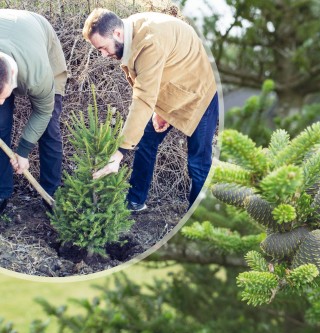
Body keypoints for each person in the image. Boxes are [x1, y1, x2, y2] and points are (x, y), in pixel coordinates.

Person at [82, 8, 219, 212]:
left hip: (201, 92)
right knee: (146, 141)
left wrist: (119, 153)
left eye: (102, 47)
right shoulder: (129, 32)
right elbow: (154, 80)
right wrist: (161, 109)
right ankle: (135, 200)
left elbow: (143, 98)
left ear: (117, 34)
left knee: (198, 163)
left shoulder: (148, 41)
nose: (103, 55)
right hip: (175, 88)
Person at [0, 9, 67, 214]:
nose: (2, 101)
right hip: (7, 30)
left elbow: (42, 113)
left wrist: (23, 151)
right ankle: (2, 192)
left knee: (48, 128)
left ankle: (51, 194)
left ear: (14, 76)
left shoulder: (37, 75)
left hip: (39, 37)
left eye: (3, 96)